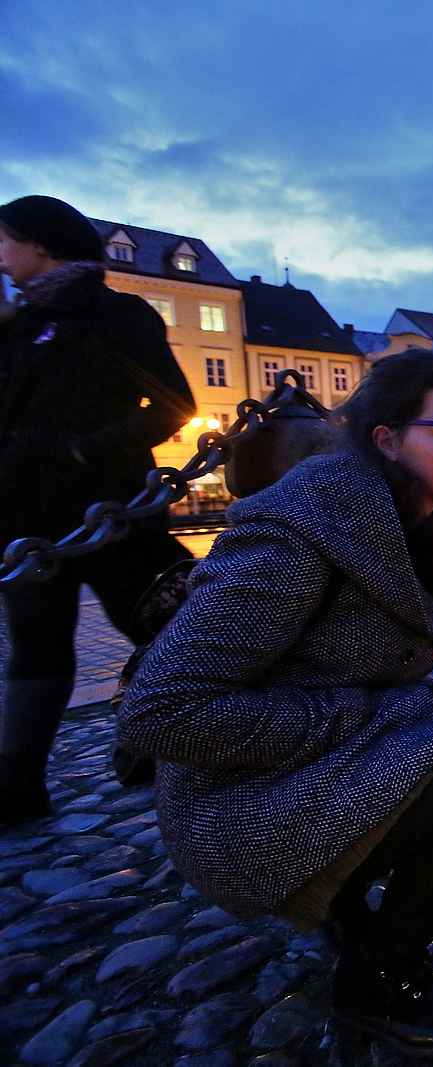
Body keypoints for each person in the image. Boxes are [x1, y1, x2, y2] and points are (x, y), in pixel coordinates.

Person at [118, 349, 433, 1057]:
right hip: (240, 798)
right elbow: (162, 711)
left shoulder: (429, 524)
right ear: (387, 438)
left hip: (322, 760)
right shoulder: (300, 530)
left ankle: (356, 907)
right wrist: (347, 720)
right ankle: (376, 975)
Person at [0, 195, 195, 826]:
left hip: (113, 513)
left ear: (42, 244)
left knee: (169, 633)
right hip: (28, 521)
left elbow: (172, 408)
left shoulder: (117, 314)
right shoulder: (17, 327)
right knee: (35, 646)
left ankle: (186, 748)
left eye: (4, 240)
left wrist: (83, 450)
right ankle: (18, 788)